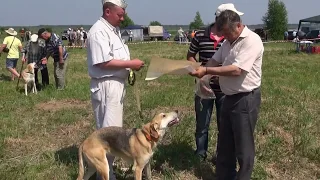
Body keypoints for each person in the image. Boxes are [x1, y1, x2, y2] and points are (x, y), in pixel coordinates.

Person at [189, 3, 264, 180]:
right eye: (223, 35)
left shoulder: (251, 40)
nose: (226, 38)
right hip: (229, 97)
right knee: (225, 143)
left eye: (228, 34)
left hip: (245, 99)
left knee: (243, 146)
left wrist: (206, 71)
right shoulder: (229, 42)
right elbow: (215, 60)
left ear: (239, 25)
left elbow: (237, 70)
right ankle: (223, 176)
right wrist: (202, 72)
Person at [86, 0, 144, 179]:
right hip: (107, 85)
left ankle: (107, 172)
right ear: (107, 11)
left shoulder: (113, 30)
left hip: (115, 85)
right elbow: (103, 62)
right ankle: (105, 175)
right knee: (109, 136)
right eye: (119, 14)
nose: (123, 17)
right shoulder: (98, 31)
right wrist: (130, 64)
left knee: (113, 132)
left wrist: (128, 68)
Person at [187, 21, 225, 162]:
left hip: (225, 88)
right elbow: (190, 55)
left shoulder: (230, 36)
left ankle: (221, 156)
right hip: (204, 86)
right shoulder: (201, 35)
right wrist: (197, 68)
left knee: (224, 124)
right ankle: (200, 154)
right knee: (202, 123)